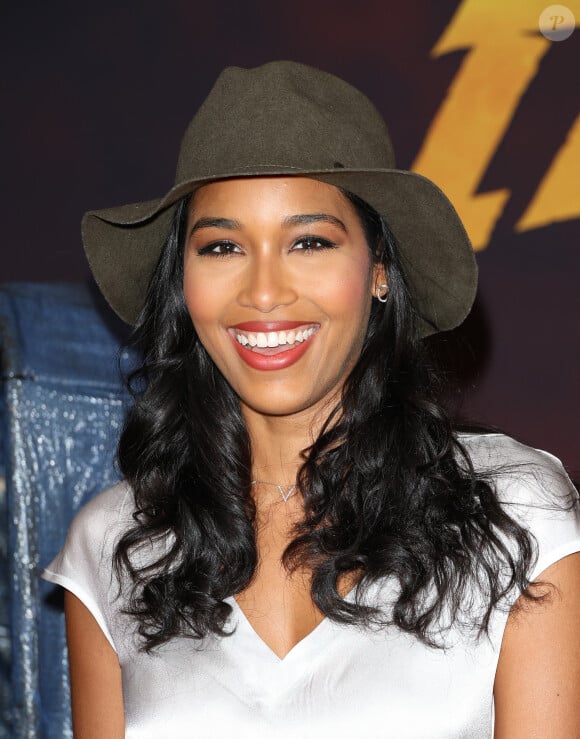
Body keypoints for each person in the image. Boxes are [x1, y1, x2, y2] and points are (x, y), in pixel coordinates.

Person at [42, 61, 580, 738]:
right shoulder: (117, 543)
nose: (264, 291)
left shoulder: (515, 515)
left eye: (309, 241)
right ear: (185, 283)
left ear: (380, 269)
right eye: (223, 246)